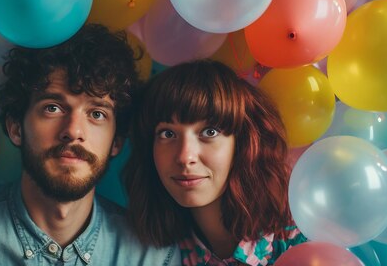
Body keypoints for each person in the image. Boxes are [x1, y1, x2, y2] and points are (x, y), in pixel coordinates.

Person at [0, 24, 180, 265]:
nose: (73, 132)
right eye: (53, 108)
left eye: (96, 114)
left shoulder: (154, 257)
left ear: (117, 141)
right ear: (16, 128)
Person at [124, 59, 307, 266]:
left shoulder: (301, 231)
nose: (185, 157)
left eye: (209, 132)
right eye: (167, 134)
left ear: (242, 143)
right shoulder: (153, 253)